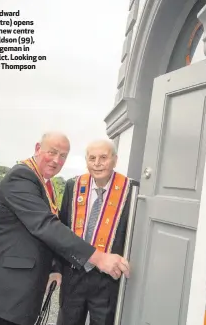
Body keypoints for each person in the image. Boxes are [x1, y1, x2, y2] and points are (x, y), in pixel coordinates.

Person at [0, 132, 130, 325]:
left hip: (14, 298)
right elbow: (46, 225)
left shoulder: (44, 182)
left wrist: (53, 268)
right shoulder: (22, 176)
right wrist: (99, 257)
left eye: (63, 156)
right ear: (37, 149)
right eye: (52, 152)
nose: (56, 160)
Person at [56, 139, 138, 325]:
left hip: (108, 280)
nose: (97, 163)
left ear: (115, 160)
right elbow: (62, 228)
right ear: (86, 161)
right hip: (74, 273)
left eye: (103, 157)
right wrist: (57, 268)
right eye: (92, 158)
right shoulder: (73, 186)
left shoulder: (131, 190)